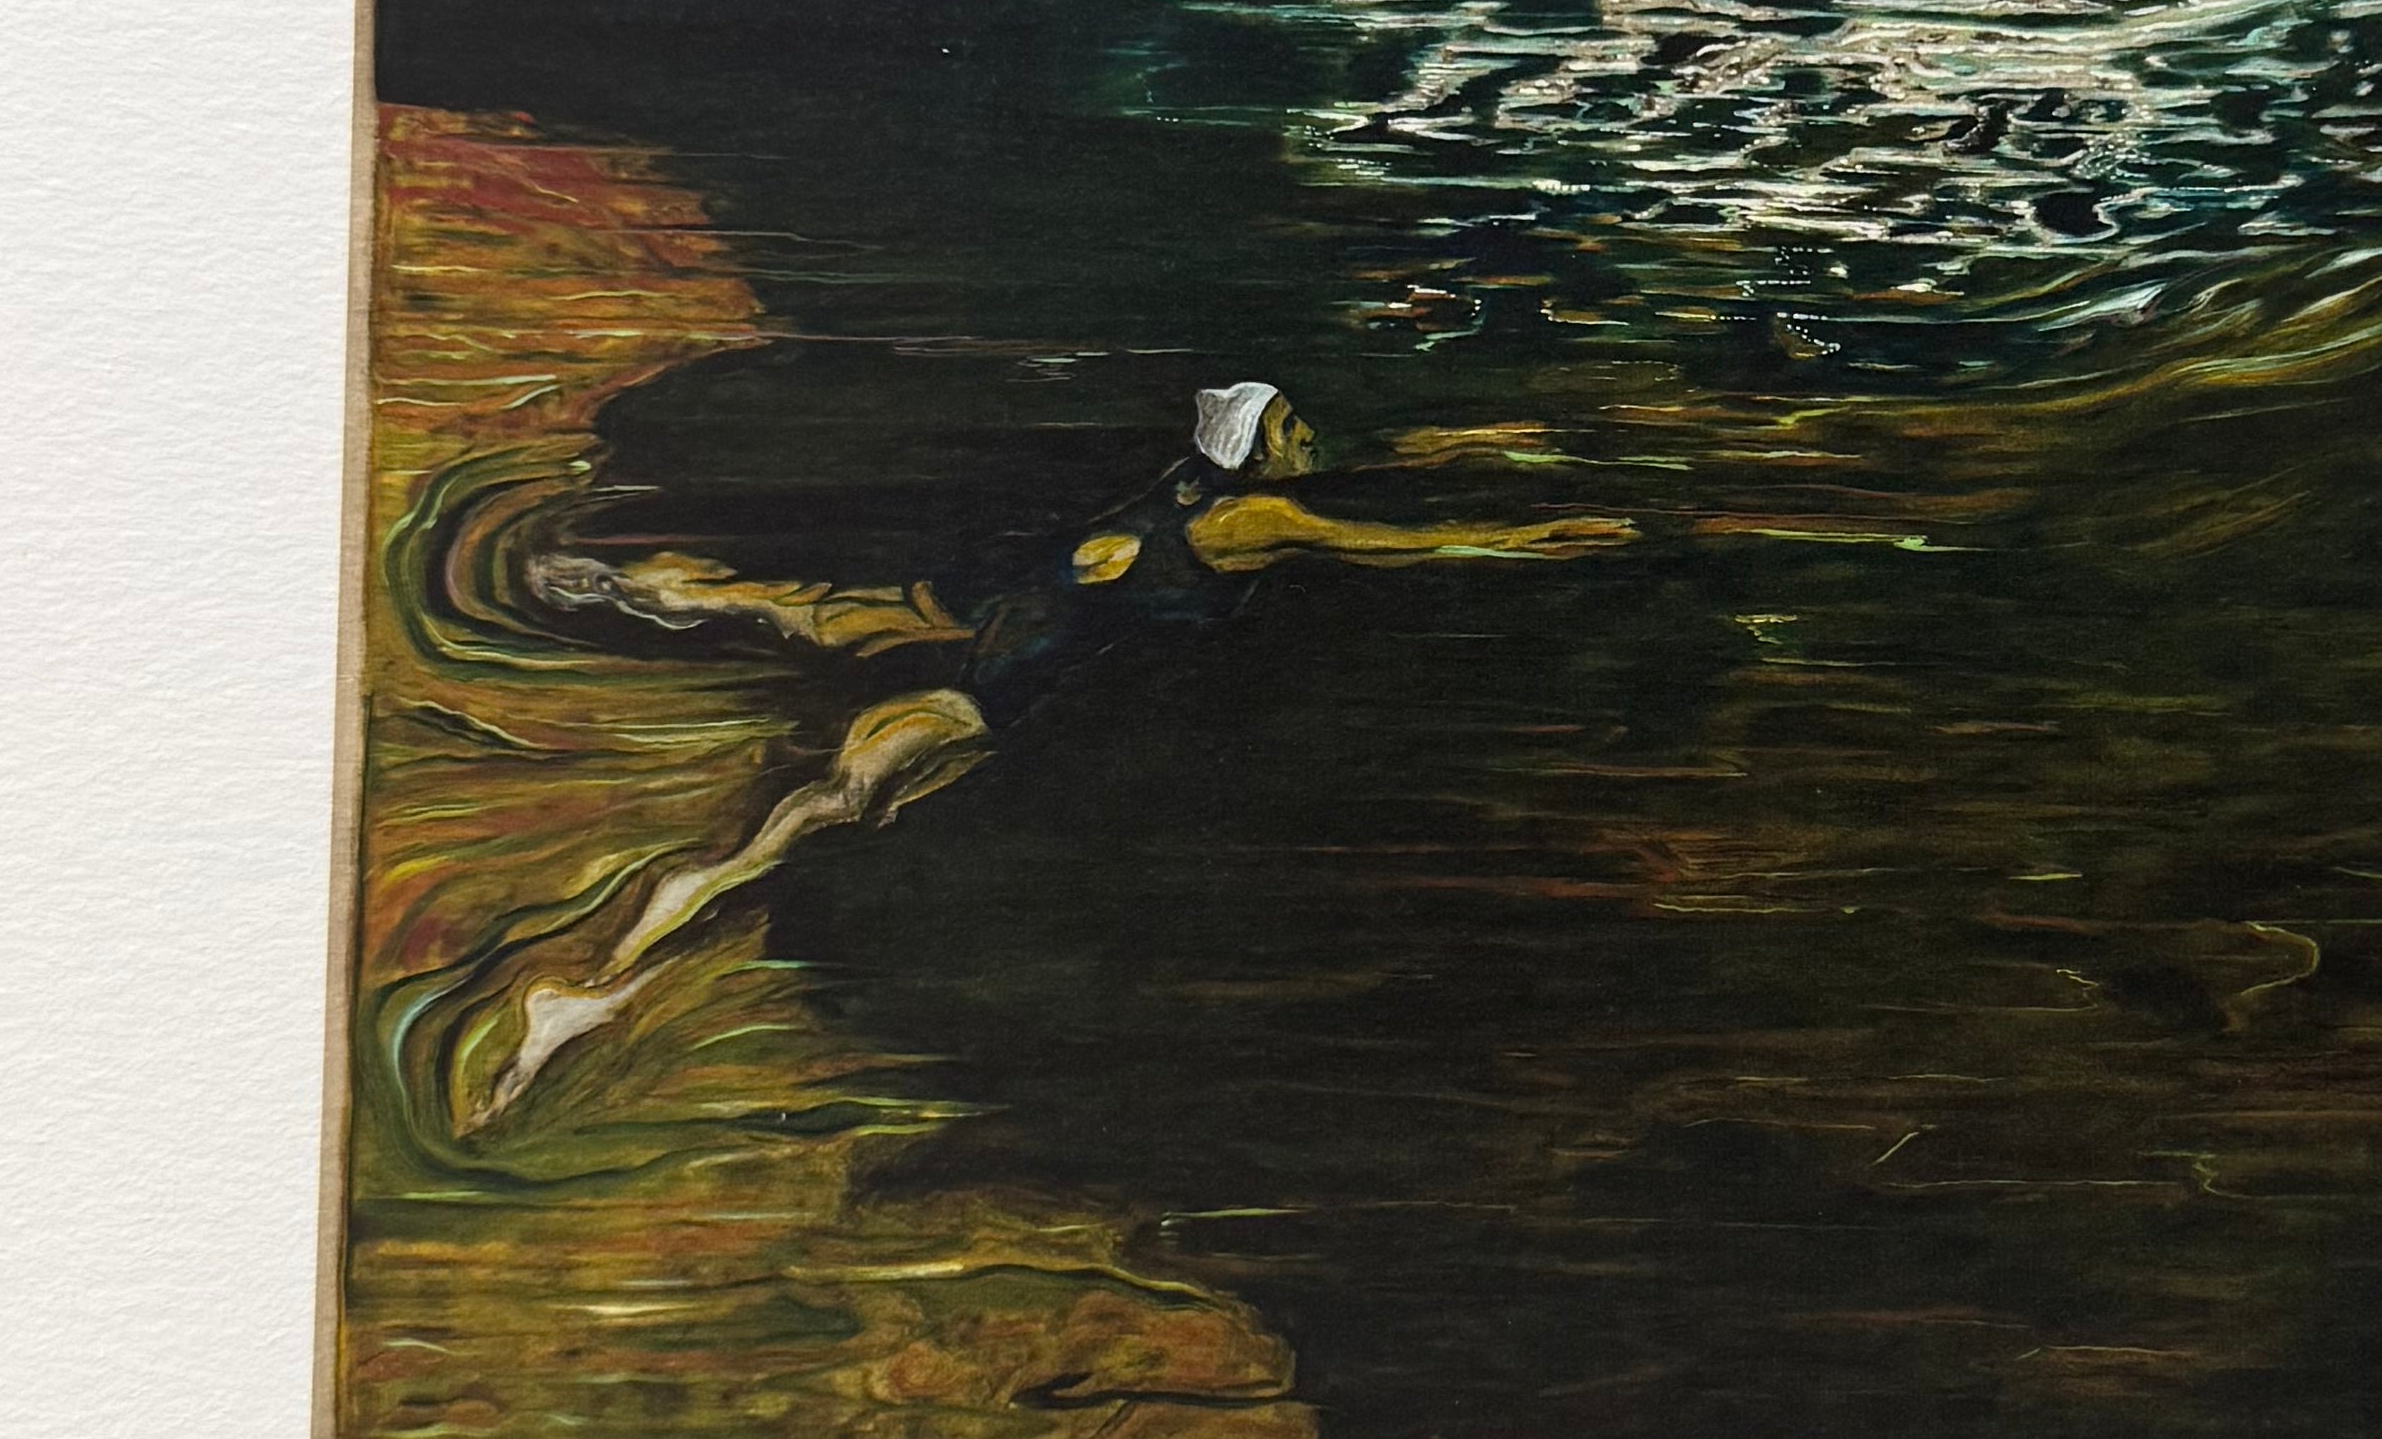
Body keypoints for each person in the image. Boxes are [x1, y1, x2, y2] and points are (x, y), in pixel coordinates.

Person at [474, 375, 1626, 1119]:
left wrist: (1475, 437)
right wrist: (1533, 535)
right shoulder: (1254, 519)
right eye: (1295, 427)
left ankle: (649, 596)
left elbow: (1356, 470)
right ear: (1262, 448)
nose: (1311, 436)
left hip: (971, 623)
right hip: (986, 698)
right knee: (811, 822)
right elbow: (1384, 543)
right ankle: (585, 997)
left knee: (805, 641)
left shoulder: (1164, 499)